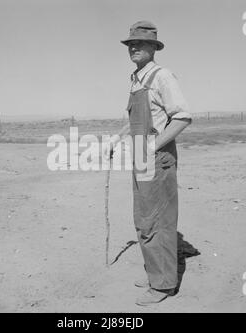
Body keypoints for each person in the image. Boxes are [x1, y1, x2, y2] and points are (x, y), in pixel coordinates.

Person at [104, 21, 192, 305]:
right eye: (130, 43)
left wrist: (154, 145)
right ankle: (156, 272)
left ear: (154, 47)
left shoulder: (162, 76)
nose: (133, 47)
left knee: (158, 220)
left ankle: (164, 285)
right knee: (143, 219)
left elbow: (182, 118)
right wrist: (116, 139)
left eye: (140, 43)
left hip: (157, 157)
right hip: (140, 156)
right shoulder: (136, 79)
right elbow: (135, 122)